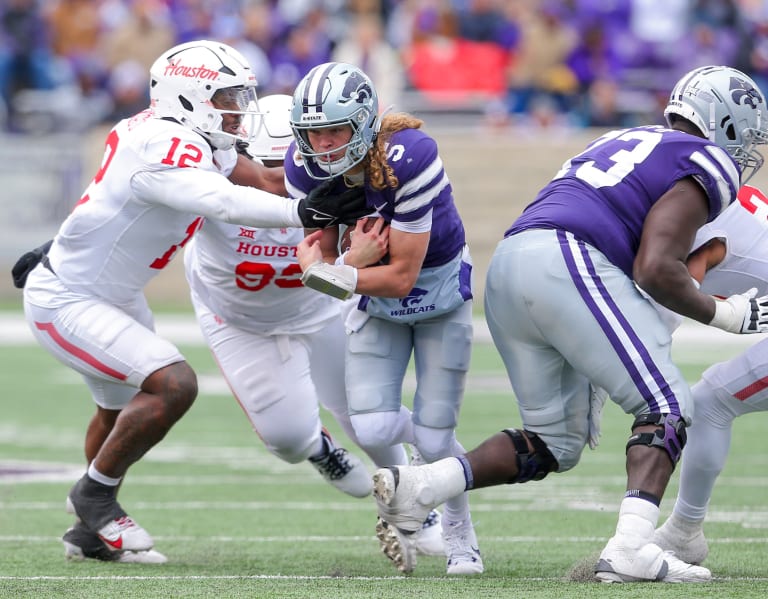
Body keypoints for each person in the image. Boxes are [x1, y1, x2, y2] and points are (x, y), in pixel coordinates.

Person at [369, 64, 768, 583]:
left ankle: (420, 486)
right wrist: (728, 313)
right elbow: (664, 272)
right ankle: (632, 548)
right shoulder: (705, 165)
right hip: (567, 261)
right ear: (726, 125)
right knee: (670, 403)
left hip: (513, 267)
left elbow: (643, 287)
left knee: (555, 443)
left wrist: (605, 374)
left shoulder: (622, 139)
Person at [18, 40, 370, 564]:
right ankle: (94, 495)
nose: (238, 108)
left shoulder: (190, 136)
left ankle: (87, 532)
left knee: (116, 413)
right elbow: (222, 201)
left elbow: (263, 181)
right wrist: (307, 214)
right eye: (228, 96)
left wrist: (344, 188)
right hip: (69, 299)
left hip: (110, 293)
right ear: (190, 97)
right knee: (174, 384)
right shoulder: (162, 144)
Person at [291, 62, 481, 576]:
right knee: (374, 426)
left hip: (437, 293)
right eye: (313, 132)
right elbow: (325, 263)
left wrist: (335, 272)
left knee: (438, 439)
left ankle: (462, 534)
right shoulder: (304, 167)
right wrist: (347, 265)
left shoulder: (409, 156)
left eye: (335, 129)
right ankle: (416, 489)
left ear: (364, 121)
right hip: (376, 302)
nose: (324, 145)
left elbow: (399, 275)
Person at [652, 183, 768, 565]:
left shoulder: (690, 209)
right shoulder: (723, 191)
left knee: (710, 403)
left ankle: (684, 532)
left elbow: (668, 309)